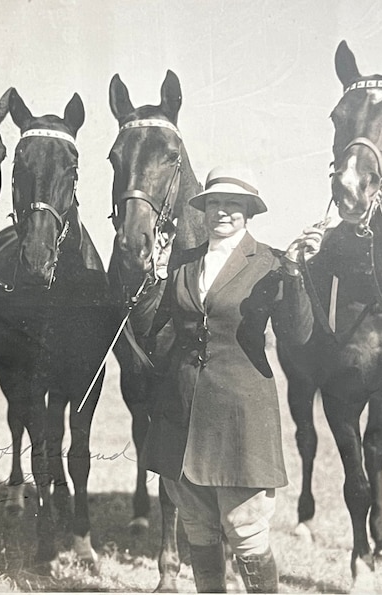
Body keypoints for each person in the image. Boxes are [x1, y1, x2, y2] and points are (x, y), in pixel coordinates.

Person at [140, 165, 323, 593]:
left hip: (240, 415)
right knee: (198, 529)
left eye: (233, 205)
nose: (223, 212)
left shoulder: (272, 263)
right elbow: (151, 329)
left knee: (245, 530)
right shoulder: (184, 261)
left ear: (249, 212)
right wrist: (155, 275)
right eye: (215, 203)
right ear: (203, 210)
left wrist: (295, 275)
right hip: (182, 414)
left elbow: (298, 335)